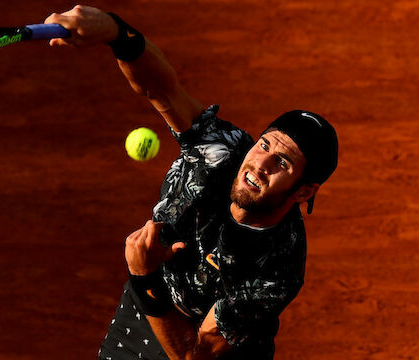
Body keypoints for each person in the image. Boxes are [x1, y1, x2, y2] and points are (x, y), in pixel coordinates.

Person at [45, 5, 339, 360]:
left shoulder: (279, 266)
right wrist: (115, 32)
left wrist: (144, 276)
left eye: (283, 162)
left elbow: (194, 355)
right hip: (142, 316)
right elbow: (163, 91)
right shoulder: (223, 152)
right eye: (264, 144)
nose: (259, 163)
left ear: (304, 191)